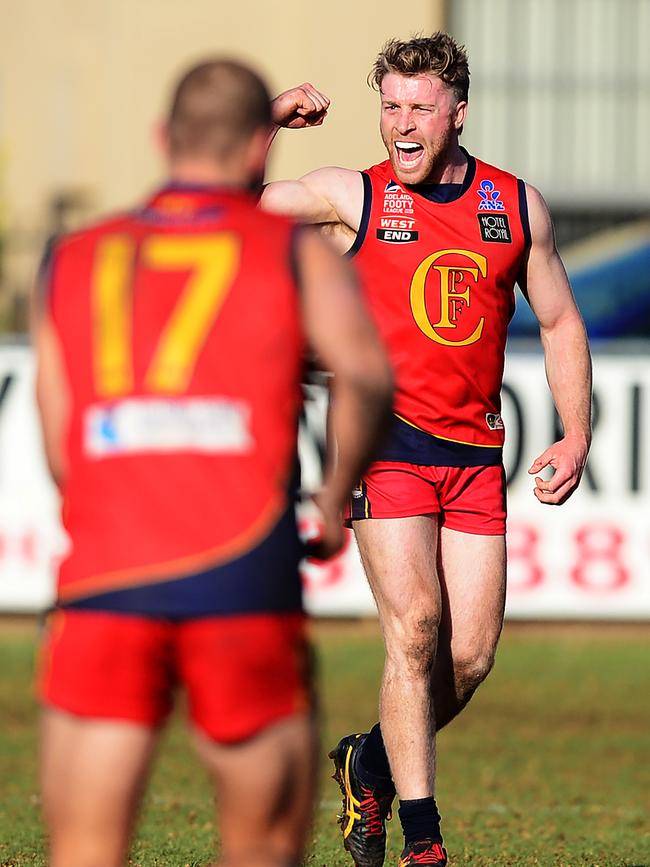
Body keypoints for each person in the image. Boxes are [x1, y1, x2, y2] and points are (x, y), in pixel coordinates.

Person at [33, 58, 393, 867]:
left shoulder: (74, 258)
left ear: (162, 140)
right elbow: (367, 373)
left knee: (83, 849)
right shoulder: (289, 253)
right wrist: (336, 497)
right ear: (255, 147)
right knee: (262, 846)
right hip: (242, 576)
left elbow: (60, 446)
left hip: (105, 578)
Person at [262, 32, 592, 867]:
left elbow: (557, 320)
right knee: (414, 630)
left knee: (469, 655)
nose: (401, 124)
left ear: (457, 113)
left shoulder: (516, 206)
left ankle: (366, 762)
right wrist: (268, 121)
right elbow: (229, 201)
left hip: (477, 451)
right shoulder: (355, 194)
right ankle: (423, 842)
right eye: (390, 106)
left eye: (419, 108)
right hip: (384, 440)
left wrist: (577, 429)